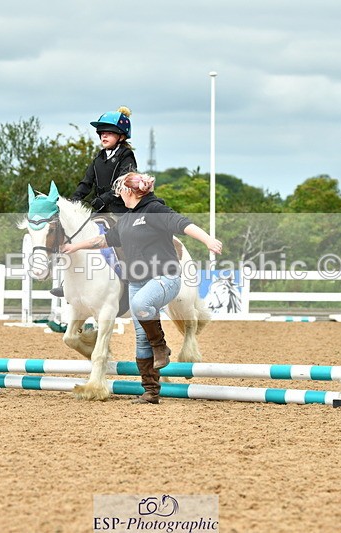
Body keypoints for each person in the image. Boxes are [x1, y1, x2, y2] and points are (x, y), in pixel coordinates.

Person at [61, 172, 223, 404]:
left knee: (139, 305)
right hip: (137, 281)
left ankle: (161, 347)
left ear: (130, 191)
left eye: (121, 191)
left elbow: (183, 224)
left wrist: (207, 240)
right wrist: (75, 246)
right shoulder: (126, 218)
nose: (119, 195)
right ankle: (151, 392)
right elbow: (105, 240)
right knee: (140, 338)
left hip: (166, 277)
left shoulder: (155, 210)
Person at [50, 106, 137, 298]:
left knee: (125, 238)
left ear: (121, 136)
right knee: (80, 235)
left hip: (121, 210)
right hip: (101, 211)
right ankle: (68, 283)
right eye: (102, 133)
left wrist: (104, 199)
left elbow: (123, 182)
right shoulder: (98, 158)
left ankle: (134, 277)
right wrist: (70, 202)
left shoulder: (126, 156)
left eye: (109, 133)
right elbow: (85, 183)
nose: (103, 137)